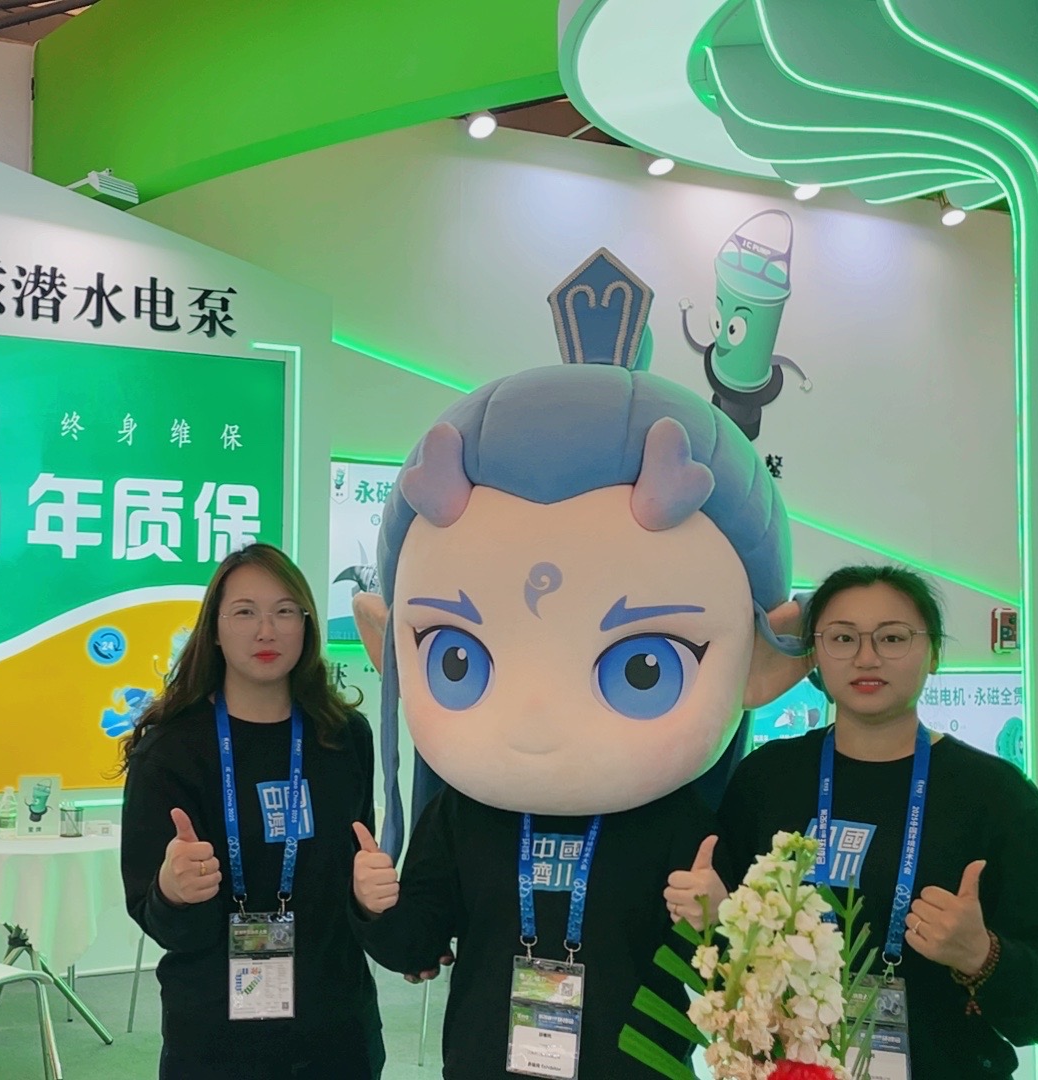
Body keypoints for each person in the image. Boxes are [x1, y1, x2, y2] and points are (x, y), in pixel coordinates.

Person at [345, 247, 812, 1079]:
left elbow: (742, 990)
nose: (538, 715)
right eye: (457, 659)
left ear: (763, 665)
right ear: (391, 651)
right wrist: (375, 905)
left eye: (643, 668)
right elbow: (416, 944)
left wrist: (719, 920)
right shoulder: (464, 817)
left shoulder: (691, 824)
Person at [669, 564, 1038, 1078]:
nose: (866, 657)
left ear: (934, 653)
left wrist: (981, 955)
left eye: (892, 637)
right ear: (815, 655)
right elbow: (725, 976)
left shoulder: (997, 797)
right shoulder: (766, 779)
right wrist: (718, 918)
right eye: (843, 638)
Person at [118, 542, 385, 1080]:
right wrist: (172, 891)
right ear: (214, 630)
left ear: (306, 626)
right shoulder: (170, 751)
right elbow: (156, 916)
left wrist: (374, 903)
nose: (267, 631)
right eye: (244, 612)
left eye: (285, 611)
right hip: (216, 1036)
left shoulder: (343, 737)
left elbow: (352, 880)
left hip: (336, 1026)